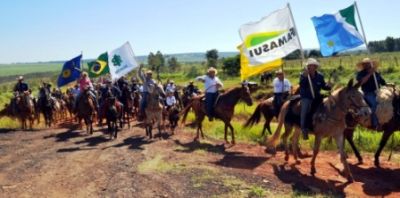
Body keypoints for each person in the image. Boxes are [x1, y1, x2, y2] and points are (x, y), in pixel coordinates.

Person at [300, 58, 331, 140]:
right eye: (308, 66)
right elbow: (302, 85)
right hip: (306, 96)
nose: (310, 67)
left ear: (315, 67)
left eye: (311, 66)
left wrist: (329, 86)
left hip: (317, 96)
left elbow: (324, 86)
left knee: (328, 105)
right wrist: (305, 77)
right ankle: (304, 129)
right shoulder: (303, 75)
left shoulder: (320, 76)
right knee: (305, 111)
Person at [356, 57, 386, 130]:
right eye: (365, 64)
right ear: (363, 65)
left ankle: (387, 120)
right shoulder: (361, 74)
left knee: (388, 102)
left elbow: (383, 82)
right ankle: (375, 124)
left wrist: (389, 85)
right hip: (368, 93)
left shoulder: (376, 73)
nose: (367, 65)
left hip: (378, 91)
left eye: (369, 63)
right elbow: (361, 82)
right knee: (375, 104)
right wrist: (370, 74)